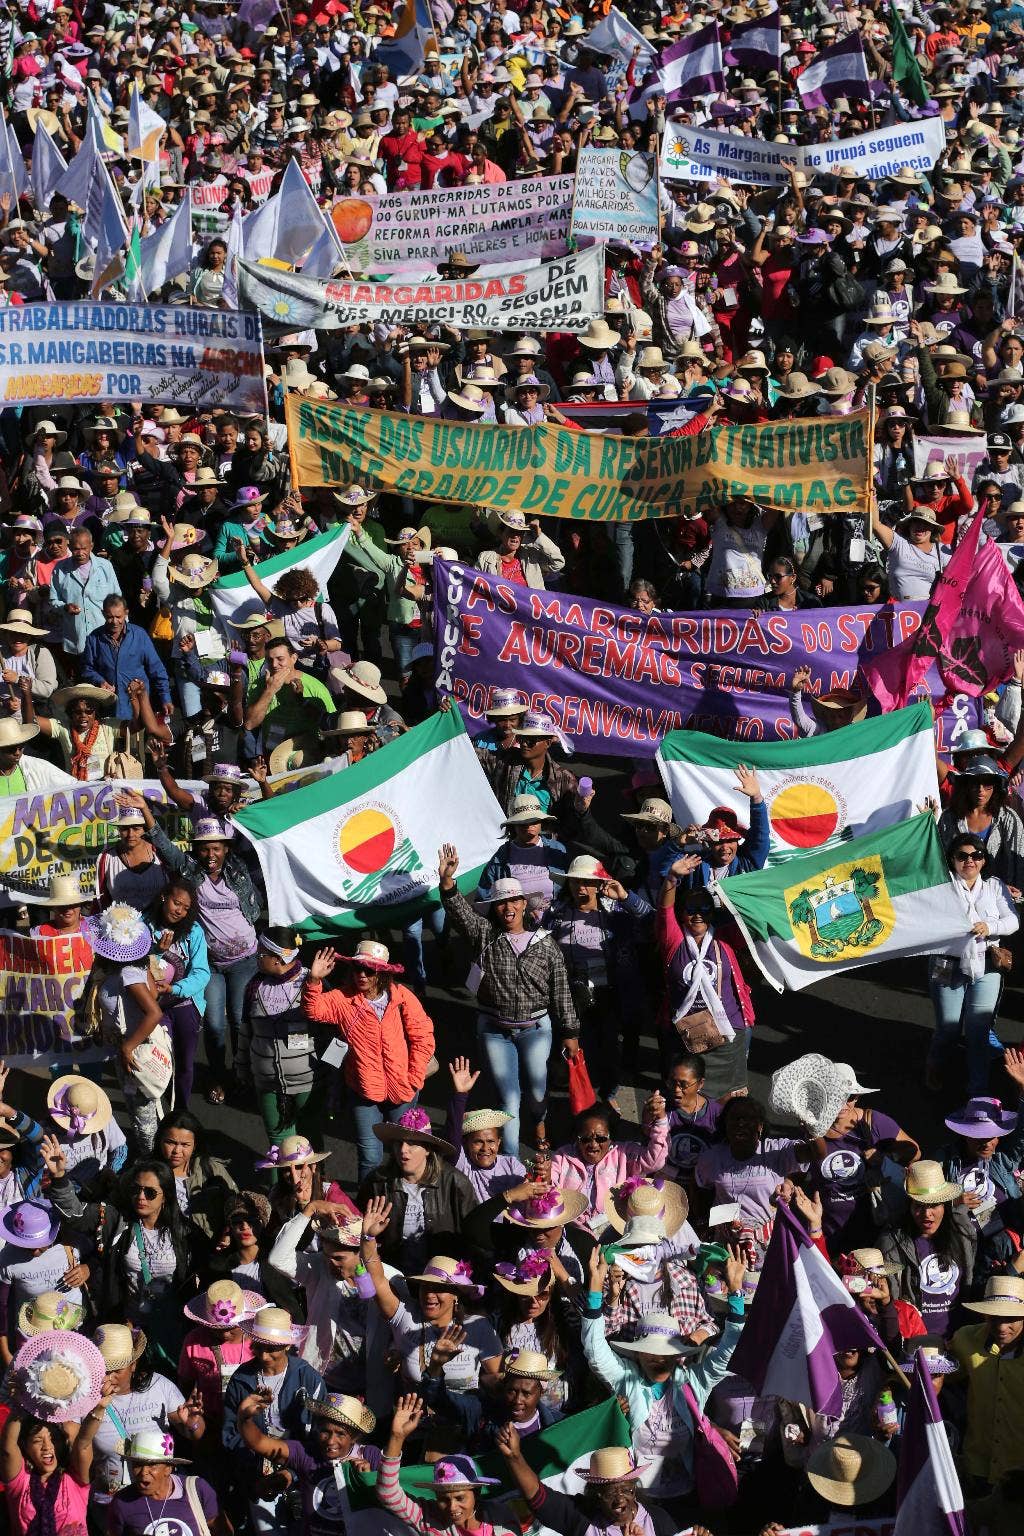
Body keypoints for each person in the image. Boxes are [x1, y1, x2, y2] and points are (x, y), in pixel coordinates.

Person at [438, 845, 579, 1157]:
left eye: (514, 900)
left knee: (538, 1093)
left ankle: (539, 1121)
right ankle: (512, 1164)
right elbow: (459, 911)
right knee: (509, 1100)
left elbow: (561, 992)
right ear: (494, 907)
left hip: (536, 1030)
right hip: (494, 1030)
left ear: (524, 904)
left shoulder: (546, 945)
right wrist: (447, 881)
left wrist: (570, 1033)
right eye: (501, 902)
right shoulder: (485, 935)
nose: (508, 907)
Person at [302, 939, 435, 1182]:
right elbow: (314, 1010)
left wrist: (414, 1077)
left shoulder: (402, 997)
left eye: (369, 970)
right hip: (363, 1092)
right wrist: (314, 980)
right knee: (370, 1158)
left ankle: (401, 1200)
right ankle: (366, 1202)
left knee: (405, 1155)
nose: (361, 975)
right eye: (357, 968)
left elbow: (423, 1037)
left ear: (382, 973)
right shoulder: (342, 999)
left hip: (403, 1091)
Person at [927, 832, 1020, 1095]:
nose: (970, 861)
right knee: (948, 1028)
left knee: (979, 1030)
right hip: (947, 964)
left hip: (986, 965)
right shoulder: (940, 887)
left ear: (983, 860)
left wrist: (989, 927)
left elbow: (1012, 921)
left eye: (976, 855)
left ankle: (978, 1088)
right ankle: (934, 1065)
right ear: (952, 860)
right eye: (962, 856)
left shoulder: (995, 886)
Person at [378, 1396, 516, 1535]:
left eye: (460, 1498)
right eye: (443, 1499)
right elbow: (388, 1494)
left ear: (476, 1493)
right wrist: (397, 1437)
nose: (452, 1507)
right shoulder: (429, 1517)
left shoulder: (499, 1517)